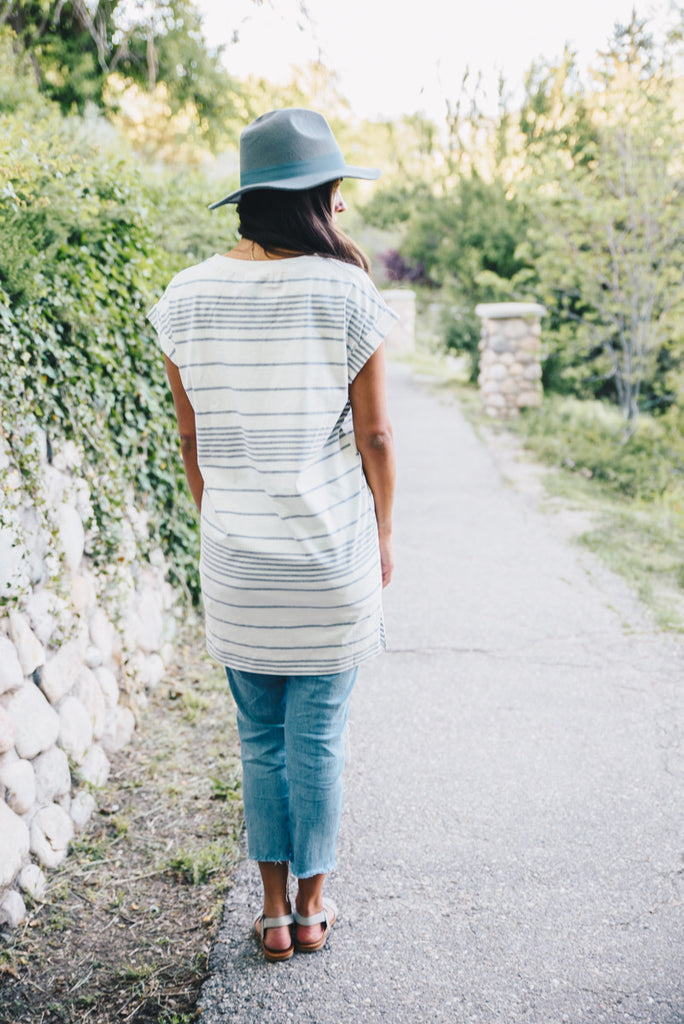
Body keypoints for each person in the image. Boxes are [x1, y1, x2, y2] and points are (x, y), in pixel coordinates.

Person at [147, 108, 397, 962]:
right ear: (321, 197)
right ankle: (316, 904)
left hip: (238, 560)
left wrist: (218, 522)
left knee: (259, 739)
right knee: (319, 734)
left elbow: (190, 440)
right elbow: (376, 440)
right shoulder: (347, 291)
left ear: (249, 198)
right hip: (329, 560)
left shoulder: (185, 295)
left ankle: (270, 913)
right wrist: (385, 536)